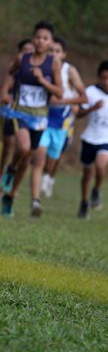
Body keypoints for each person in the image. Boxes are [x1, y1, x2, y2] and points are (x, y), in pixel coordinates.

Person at [0, 22, 63, 217]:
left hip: (39, 117)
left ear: (50, 42)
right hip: (19, 112)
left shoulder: (53, 63)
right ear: (33, 38)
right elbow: (10, 73)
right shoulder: (23, 58)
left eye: (45, 38)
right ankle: (10, 169)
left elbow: (59, 92)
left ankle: (10, 196)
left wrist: (42, 80)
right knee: (24, 148)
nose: (41, 41)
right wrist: (4, 91)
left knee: (26, 159)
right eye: (38, 37)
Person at [76, 60, 108, 219]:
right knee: (87, 173)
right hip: (90, 136)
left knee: (100, 165)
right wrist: (93, 108)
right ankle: (84, 202)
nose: (107, 81)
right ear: (99, 77)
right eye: (104, 78)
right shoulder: (90, 92)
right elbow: (78, 114)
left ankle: (97, 189)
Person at [39, 37, 88, 198]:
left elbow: (84, 97)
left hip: (64, 120)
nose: (53, 54)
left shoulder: (69, 71)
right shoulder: (41, 67)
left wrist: (64, 102)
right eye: (50, 51)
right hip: (43, 116)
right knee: (40, 149)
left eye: (57, 51)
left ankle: (49, 177)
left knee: (56, 153)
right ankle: (41, 176)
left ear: (64, 54)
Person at [0, 39, 36, 176]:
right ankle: (1, 173)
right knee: (8, 145)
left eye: (31, 50)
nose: (28, 53)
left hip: (31, 114)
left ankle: (11, 170)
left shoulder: (40, 69)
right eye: (24, 50)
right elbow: (6, 87)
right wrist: (5, 94)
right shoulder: (14, 67)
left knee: (24, 148)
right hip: (11, 110)